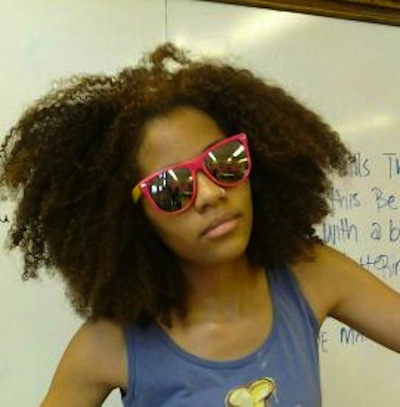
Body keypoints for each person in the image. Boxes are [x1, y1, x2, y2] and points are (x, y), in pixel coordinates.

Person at [0, 43, 399, 407]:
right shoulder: (108, 345)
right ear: (133, 218)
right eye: (171, 188)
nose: (210, 193)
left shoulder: (311, 275)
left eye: (224, 161)